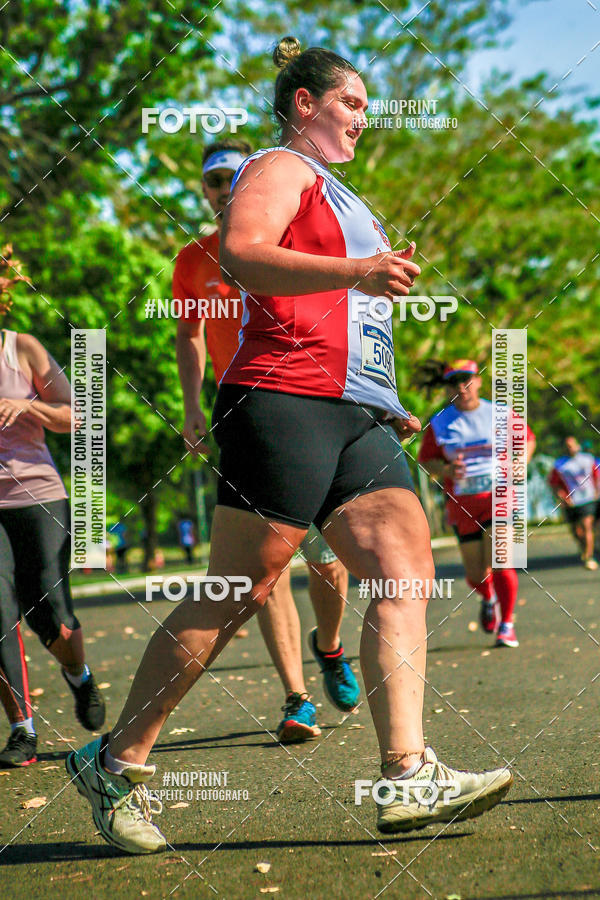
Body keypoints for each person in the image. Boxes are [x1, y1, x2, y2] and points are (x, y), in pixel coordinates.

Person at [67, 37, 512, 853]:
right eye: (352, 103)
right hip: (280, 398)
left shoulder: (342, 194)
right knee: (240, 588)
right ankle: (115, 759)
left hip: (355, 413)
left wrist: (384, 395)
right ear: (304, 104)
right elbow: (243, 255)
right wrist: (360, 271)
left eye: (368, 107)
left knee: (404, 569)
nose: (364, 119)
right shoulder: (278, 166)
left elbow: (348, 315)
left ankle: (406, 773)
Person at [174, 137, 359, 741]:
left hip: (313, 403)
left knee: (327, 561)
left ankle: (329, 646)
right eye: (214, 180)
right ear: (204, 190)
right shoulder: (192, 262)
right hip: (245, 413)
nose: (224, 189)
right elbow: (189, 336)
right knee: (264, 567)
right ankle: (296, 697)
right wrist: (192, 408)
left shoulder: (294, 242)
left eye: (235, 176)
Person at [0, 265, 105, 767]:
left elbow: (76, 414)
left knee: (53, 616)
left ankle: (79, 676)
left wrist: (27, 408)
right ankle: (22, 728)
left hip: (36, 494)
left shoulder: (21, 349)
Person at [417, 359, 536, 648]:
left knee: (501, 562)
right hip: (463, 504)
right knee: (475, 576)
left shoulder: (499, 413)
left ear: (478, 381)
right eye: (454, 381)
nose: (462, 386)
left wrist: (520, 462)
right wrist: (446, 469)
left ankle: (507, 625)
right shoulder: (440, 422)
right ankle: (488, 597)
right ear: (447, 388)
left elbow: (528, 440)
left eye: (467, 379)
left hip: (500, 498)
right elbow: (426, 460)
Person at [549, 436, 599, 570]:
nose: (570, 448)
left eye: (572, 445)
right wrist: (562, 496)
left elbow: (596, 475)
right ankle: (584, 549)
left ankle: (589, 557)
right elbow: (554, 483)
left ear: (577, 445)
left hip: (588, 499)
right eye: (567, 446)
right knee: (576, 531)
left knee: (587, 526)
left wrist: (597, 490)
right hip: (571, 502)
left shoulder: (588, 459)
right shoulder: (559, 465)